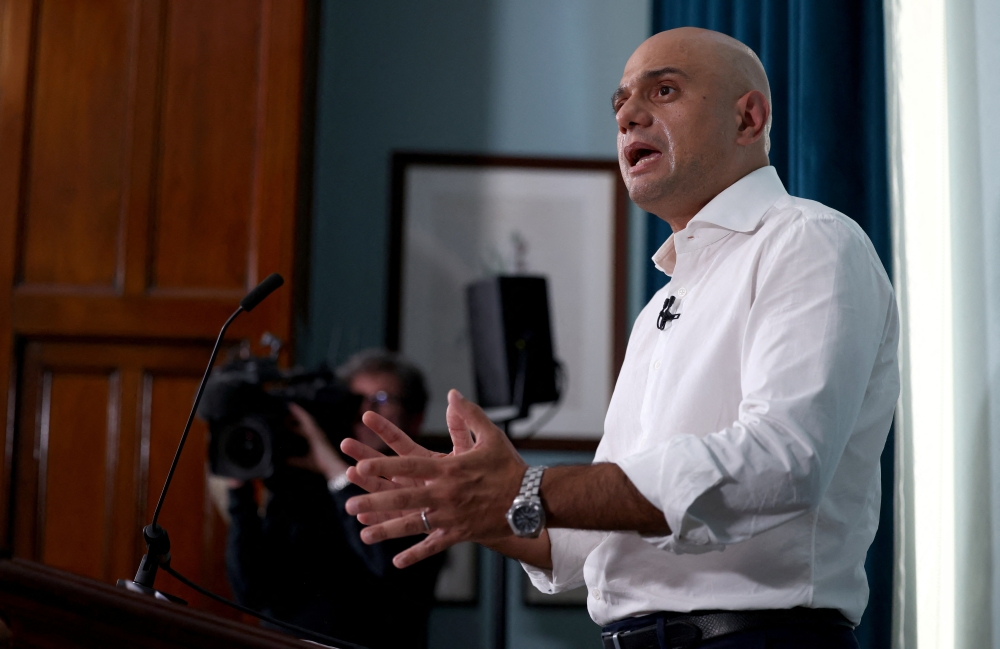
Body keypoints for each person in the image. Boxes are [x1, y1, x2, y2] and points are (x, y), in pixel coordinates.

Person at [338, 27, 898, 649]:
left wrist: (529, 487)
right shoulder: (661, 305)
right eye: (620, 103)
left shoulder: (809, 240)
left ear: (748, 118)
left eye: (664, 91)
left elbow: (782, 462)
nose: (629, 115)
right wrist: (476, 504)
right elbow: (590, 544)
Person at [225, 349, 444, 649]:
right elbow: (250, 592)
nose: (364, 412)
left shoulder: (427, 489)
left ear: (415, 419)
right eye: (355, 399)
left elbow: (388, 567)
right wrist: (240, 492)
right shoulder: (305, 484)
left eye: (380, 399)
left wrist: (336, 473)